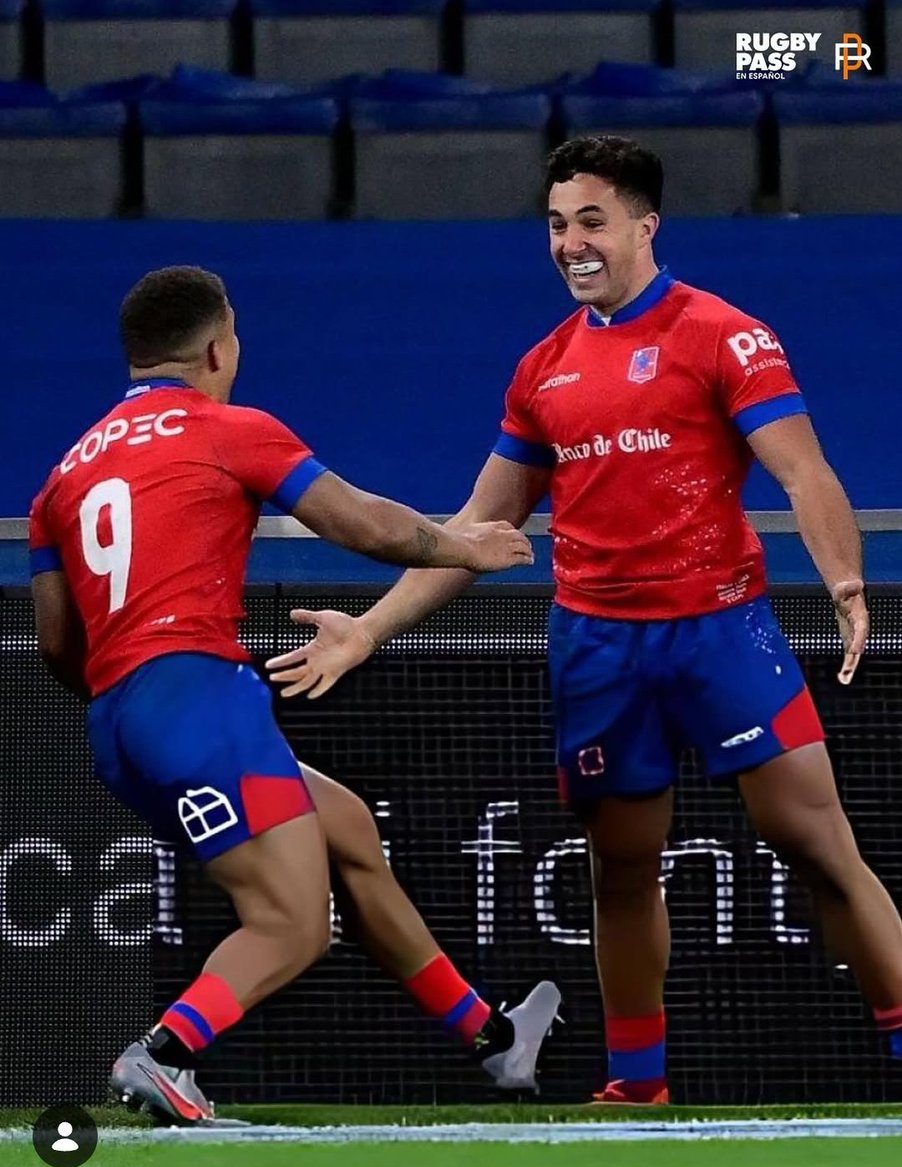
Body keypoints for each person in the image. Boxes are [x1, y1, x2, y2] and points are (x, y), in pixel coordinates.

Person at [265, 135, 902, 1105]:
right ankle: (635, 1086)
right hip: (597, 650)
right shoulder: (542, 371)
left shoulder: (723, 335)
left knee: (815, 847)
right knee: (618, 870)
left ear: (645, 226)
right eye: (557, 226)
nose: (570, 244)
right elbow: (476, 530)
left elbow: (800, 470)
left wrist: (843, 581)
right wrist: (368, 627)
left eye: (591, 221)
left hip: (719, 633)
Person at [29, 265, 560, 1127]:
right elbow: (361, 522)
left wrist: (136, 697)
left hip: (117, 721)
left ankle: (494, 1038)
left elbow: (57, 642)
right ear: (215, 347)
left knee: (345, 828)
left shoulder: (62, 478)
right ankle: (164, 1054)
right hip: (199, 697)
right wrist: (464, 547)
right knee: (292, 921)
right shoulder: (229, 427)